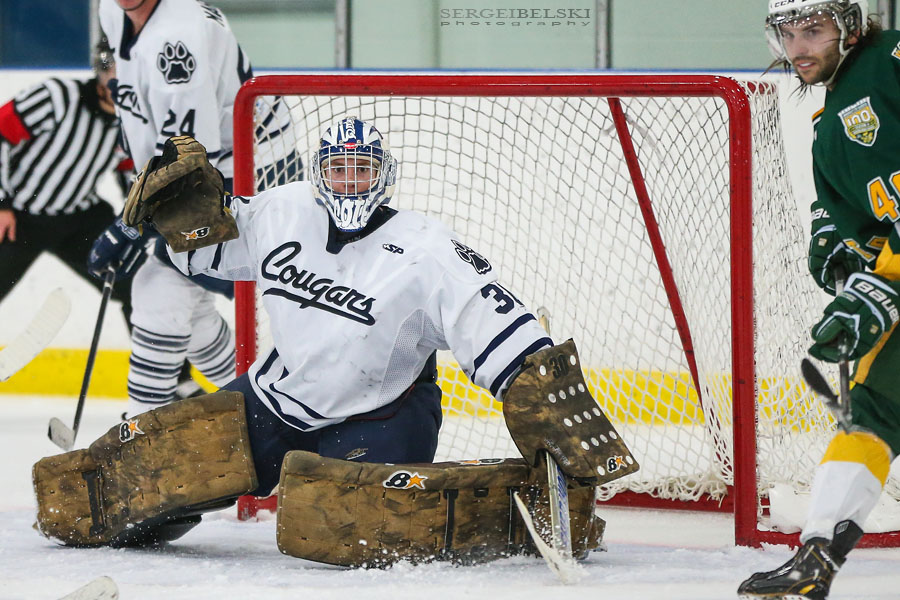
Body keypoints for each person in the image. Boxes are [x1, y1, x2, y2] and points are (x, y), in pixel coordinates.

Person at [154, 118, 553, 499]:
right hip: (278, 399)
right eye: (337, 169)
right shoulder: (281, 212)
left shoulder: (427, 247)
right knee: (164, 475)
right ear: (319, 173)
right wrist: (185, 213)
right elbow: (201, 248)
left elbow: (496, 328)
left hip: (383, 415)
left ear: (383, 175)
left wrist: (551, 396)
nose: (349, 181)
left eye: (362, 168)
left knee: (341, 522)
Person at [740, 1, 900, 598]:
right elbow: (856, 216)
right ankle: (817, 555)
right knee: (874, 411)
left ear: (851, 28)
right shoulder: (831, 123)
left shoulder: (889, 62)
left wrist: (884, 284)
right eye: (788, 32)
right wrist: (843, 252)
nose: (799, 46)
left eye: (815, 30)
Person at [92, 0, 299, 416]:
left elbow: (188, 159)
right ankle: (257, 414)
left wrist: (132, 226)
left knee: (160, 289)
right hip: (210, 165)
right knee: (185, 302)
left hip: (250, 172)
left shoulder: (178, 37)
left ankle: (140, 433)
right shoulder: (113, 12)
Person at [0, 39, 137, 324]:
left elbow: (130, 176)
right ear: (102, 70)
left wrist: (138, 221)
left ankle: (164, 369)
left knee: (139, 287)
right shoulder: (57, 96)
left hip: (79, 221)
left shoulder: (133, 122)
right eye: (117, 70)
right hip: (18, 217)